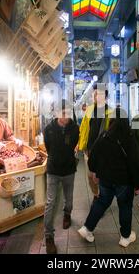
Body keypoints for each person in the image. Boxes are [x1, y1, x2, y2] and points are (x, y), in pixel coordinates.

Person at [78, 108, 139, 248]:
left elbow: (93, 157)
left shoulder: (104, 136)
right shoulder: (129, 137)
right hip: (124, 182)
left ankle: (87, 228)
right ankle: (125, 237)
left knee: (101, 203)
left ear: (112, 120)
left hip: (106, 180)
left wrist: (95, 172)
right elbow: (136, 162)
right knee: (125, 206)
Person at [43, 100, 79, 254]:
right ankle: (49, 236)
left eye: (68, 113)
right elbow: (48, 147)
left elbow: (73, 145)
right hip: (53, 170)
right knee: (50, 203)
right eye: (63, 113)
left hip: (69, 169)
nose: (65, 117)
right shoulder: (49, 129)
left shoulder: (75, 128)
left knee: (69, 198)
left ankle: (67, 214)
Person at [78, 84, 114, 202]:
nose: (95, 96)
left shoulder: (111, 113)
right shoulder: (89, 110)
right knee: (90, 176)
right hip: (89, 150)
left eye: (98, 93)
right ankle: (96, 194)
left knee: (102, 176)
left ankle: (101, 197)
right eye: (94, 93)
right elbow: (83, 128)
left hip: (104, 151)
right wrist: (80, 143)